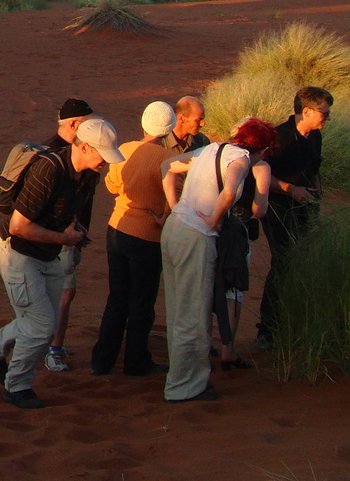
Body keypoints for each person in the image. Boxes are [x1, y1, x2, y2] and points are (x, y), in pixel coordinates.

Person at [0, 118, 123, 409]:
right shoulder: (49, 169)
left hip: (48, 252)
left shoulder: (88, 173)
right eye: (103, 154)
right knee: (41, 326)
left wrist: (71, 234)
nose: (106, 162)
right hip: (18, 251)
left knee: (44, 322)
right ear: (85, 147)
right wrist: (64, 239)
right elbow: (18, 226)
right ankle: (16, 386)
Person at [160, 118, 278, 403]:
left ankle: (182, 379)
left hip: (175, 229)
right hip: (196, 236)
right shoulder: (240, 159)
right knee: (194, 314)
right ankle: (184, 387)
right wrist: (213, 220)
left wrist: (177, 208)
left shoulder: (210, 149)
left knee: (178, 310)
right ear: (261, 148)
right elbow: (228, 192)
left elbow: (167, 167)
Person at [90, 100, 177, 377]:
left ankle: (102, 360)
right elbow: (173, 198)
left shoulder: (125, 149)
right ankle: (136, 360)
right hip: (146, 235)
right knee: (142, 300)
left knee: (117, 296)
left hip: (117, 227)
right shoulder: (167, 160)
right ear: (169, 129)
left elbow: (113, 185)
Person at [255, 85, 332, 351]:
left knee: (304, 261)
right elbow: (260, 173)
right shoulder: (279, 137)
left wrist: (315, 195)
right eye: (324, 113)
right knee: (284, 261)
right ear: (307, 111)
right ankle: (267, 329)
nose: (327, 118)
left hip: (305, 207)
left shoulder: (315, 137)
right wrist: (290, 189)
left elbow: (313, 170)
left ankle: (291, 323)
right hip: (277, 207)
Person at [214, 118, 274, 370]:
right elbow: (259, 210)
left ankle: (204, 343)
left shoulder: (221, 156)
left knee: (207, 284)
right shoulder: (260, 168)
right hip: (239, 234)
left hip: (213, 226)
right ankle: (228, 348)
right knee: (234, 290)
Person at [42, 99, 96, 372]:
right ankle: (53, 349)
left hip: (70, 233)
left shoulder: (61, 150)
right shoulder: (59, 154)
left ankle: (50, 343)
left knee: (58, 290)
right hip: (59, 234)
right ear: (74, 124)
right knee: (65, 290)